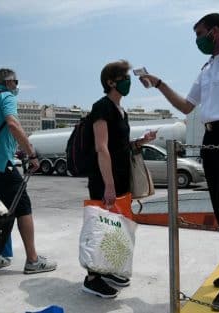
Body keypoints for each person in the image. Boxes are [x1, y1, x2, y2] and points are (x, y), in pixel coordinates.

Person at [140, 13, 219, 310]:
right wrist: (158, 83)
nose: (197, 39)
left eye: (199, 33)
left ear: (215, 32)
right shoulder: (207, 68)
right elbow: (187, 105)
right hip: (212, 141)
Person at [0, 68, 57, 274]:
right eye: (16, 82)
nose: (17, 86)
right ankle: (33, 261)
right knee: (24, 207)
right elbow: (12, 124)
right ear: (8, 82)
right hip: (0, 163)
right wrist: (31, 154)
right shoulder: (6, 97)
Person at [82, 60, 156, 298]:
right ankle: (92, 277)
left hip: (121, 180)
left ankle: (108, 270)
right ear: (110, 82)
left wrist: (141, 141)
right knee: (99, 227)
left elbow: (119, 146)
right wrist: (109, 186)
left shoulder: (120, 111)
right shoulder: (101, 107)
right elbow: (102, 148)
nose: (128, 82)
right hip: (106, 181)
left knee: (115, 229)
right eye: (125, 78)